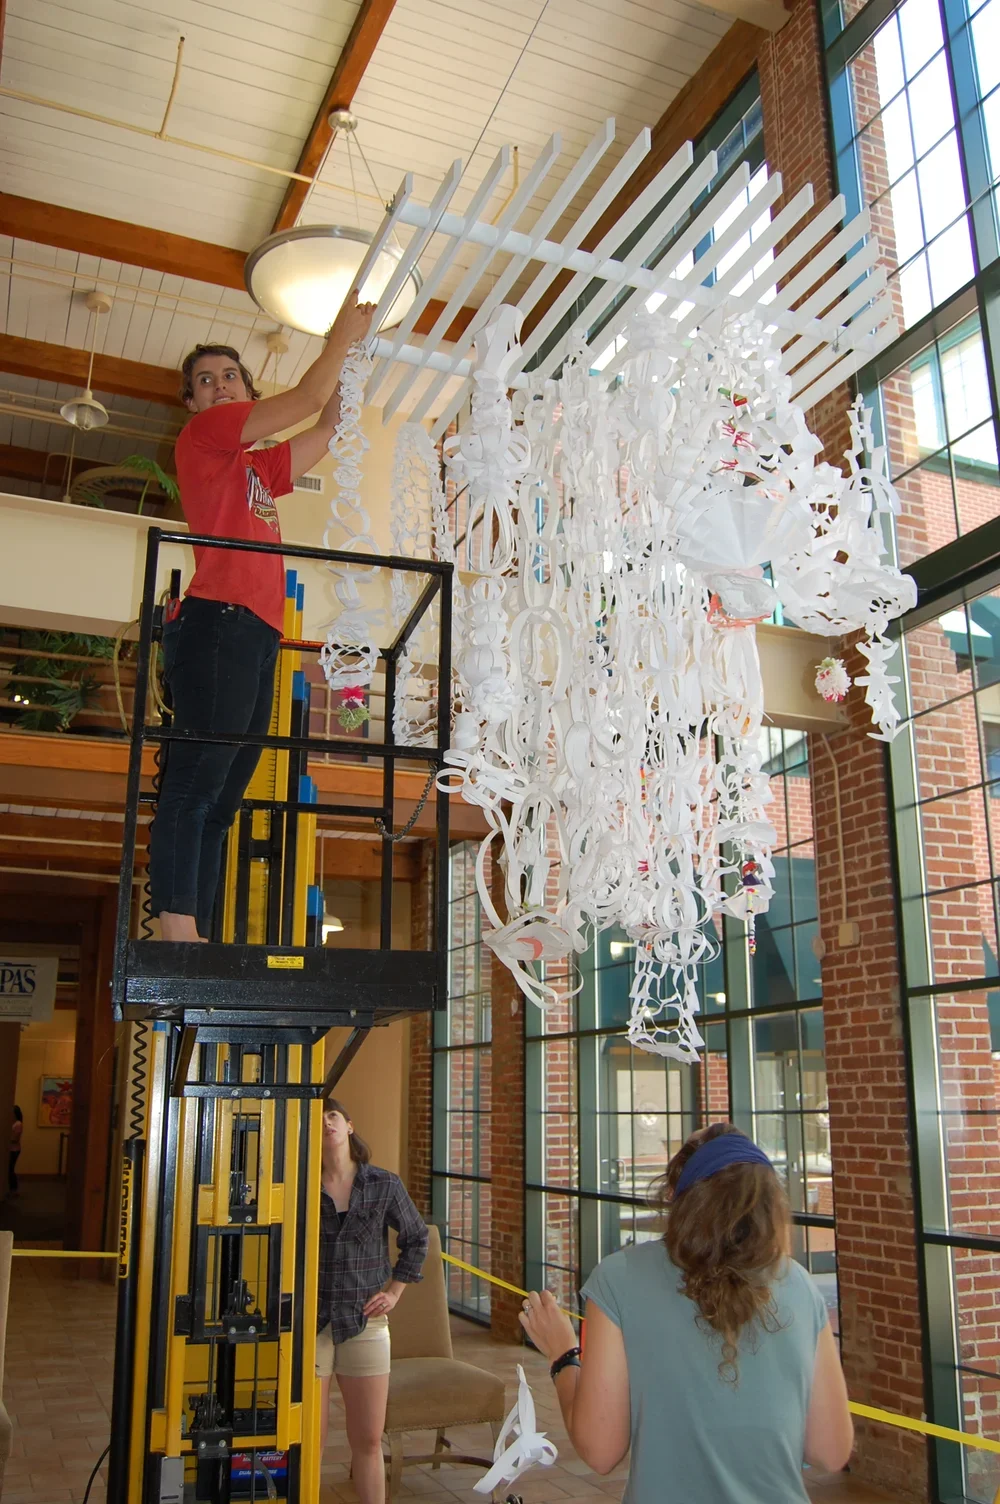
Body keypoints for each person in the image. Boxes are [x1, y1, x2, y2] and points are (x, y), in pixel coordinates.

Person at [148, 295, 376, 942]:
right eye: (205, 381)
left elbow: (326, 428)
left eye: (229, 376)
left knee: (223, 799)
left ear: (247, 387)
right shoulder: (206, 436)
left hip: (257, 633)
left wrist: (354, 357)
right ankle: (175, 925)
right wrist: (338, 336)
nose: (219, 385)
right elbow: (305, 397)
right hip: (218, 623)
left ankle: (199, 926)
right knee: (197, 782)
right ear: (193, 403)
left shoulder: (252, 467)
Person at [520, 1121, 853, 1504]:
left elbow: (600, 1450)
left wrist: (563, 1354)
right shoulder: (798, 1284)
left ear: (677, 1196)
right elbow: (831, 1450)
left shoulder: (620, 1278)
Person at [317, 1095, 428, 1504]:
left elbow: (417, 1238)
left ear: (349, 1126)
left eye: (333, 1115)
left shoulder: (384, 1184)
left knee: (366, 1440)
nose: (326, 1122)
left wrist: (395, 1291)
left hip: (365, 1323)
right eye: (318, 1117)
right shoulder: (295, 1185)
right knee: (310, 1439)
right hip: (312, 1323)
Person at [8, 1105, 22, 1195]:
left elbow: (15, 1139)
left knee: (10, 1169)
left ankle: (14, 1190)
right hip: (11, 1149)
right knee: (9, 1169)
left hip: (15, 1150)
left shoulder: (18, 1124)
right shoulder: (13, 1123)